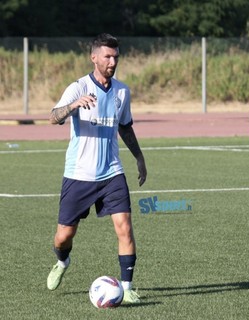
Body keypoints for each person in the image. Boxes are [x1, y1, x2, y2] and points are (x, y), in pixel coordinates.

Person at [46, 33, 147, 304]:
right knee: (63, 236)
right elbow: (53, 117)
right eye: (107, 56)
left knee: (124, 227)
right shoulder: (78, 87)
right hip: (79, 174)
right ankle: (62, 261)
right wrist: (73, 106)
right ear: (94, 57)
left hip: (111, 172)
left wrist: (139, 157)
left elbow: (125, 126)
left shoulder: (122, 91)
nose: (112, 61)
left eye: (115, 56)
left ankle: (126, 288)